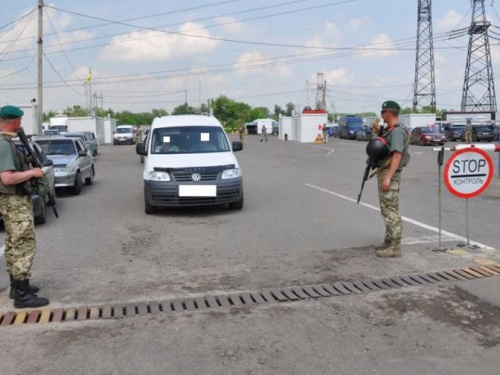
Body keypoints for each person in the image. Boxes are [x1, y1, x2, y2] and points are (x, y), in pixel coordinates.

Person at [0, 105, 50, 308]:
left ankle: (17, 287)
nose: (20, 124)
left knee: (14, 243)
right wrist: (33, 173)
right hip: (15, 202)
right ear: (13, 121)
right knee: (23, 245)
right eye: (19, 120)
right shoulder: (3, 145)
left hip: (11, 201)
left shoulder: (6, 142)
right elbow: (7, 177)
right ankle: (22, 296)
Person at [374, 100, 410, 258]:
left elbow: (396, 155)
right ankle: (389, 240)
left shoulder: (397, 132)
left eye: (382, 113)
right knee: (385, 208)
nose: (381, 115)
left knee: (391, 211)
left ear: (388, 113)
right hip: (385, 171)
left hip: (390, 173)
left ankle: (395, 246)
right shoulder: (391, 129)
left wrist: (388, 178)